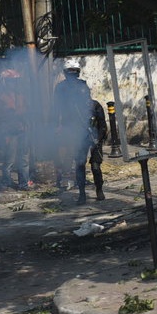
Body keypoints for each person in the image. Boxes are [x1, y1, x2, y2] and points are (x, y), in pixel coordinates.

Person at [53, 57, 91, 193]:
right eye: (71, 72)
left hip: (80, 125)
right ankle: (67, 179)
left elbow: (88, 106)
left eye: (74, 72)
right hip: (68, 125)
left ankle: (80, 178)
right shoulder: (61, 88)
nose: (72, 75)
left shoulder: (82, 86)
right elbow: (56, 108)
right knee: (69, 153)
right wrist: (58, 125)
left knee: (80, 153)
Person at [0, 68, 32, 191]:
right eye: (11, 81)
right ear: (5, 82)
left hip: (23, 131)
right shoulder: (1, 98)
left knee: (24, 160)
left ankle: (23, 183)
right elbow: (2, 116)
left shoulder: (21, 96)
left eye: (15, 81)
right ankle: (5, 183)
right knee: (9, 160)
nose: (14, 84)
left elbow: (27, 110)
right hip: (10, 133)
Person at [73, 98, 108, 204]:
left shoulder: (95, 106)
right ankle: (82, 194)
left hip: (95, 138)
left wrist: (99, 138)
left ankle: (99, 189)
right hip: (80, 140)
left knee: (96, 166)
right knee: (79, 166)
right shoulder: (75, 107)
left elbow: (102, 125)